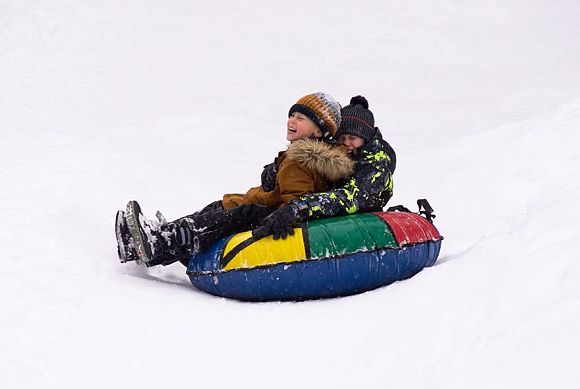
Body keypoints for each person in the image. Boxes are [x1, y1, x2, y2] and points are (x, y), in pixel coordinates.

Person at [115, 92, 354, 267]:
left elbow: (296, 203)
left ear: (319, 131)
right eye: (292, 115)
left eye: (301, 118)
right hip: (256, 203)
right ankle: (155, 238)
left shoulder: (301, 159)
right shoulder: (302, 156)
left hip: (265, 216)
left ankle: (159, 242)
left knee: (226, 215)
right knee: (217, 209)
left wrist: (279, 215)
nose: (292, 121)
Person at [252, 95, 396, 240]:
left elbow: (350, 198)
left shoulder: (376, 165)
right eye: (342, 138)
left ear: (365, 139)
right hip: (333, 220)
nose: (346, 143)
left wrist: (298, 208)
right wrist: (277, 168)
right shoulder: (342, 154)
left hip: (360, 223)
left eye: (352, 138)